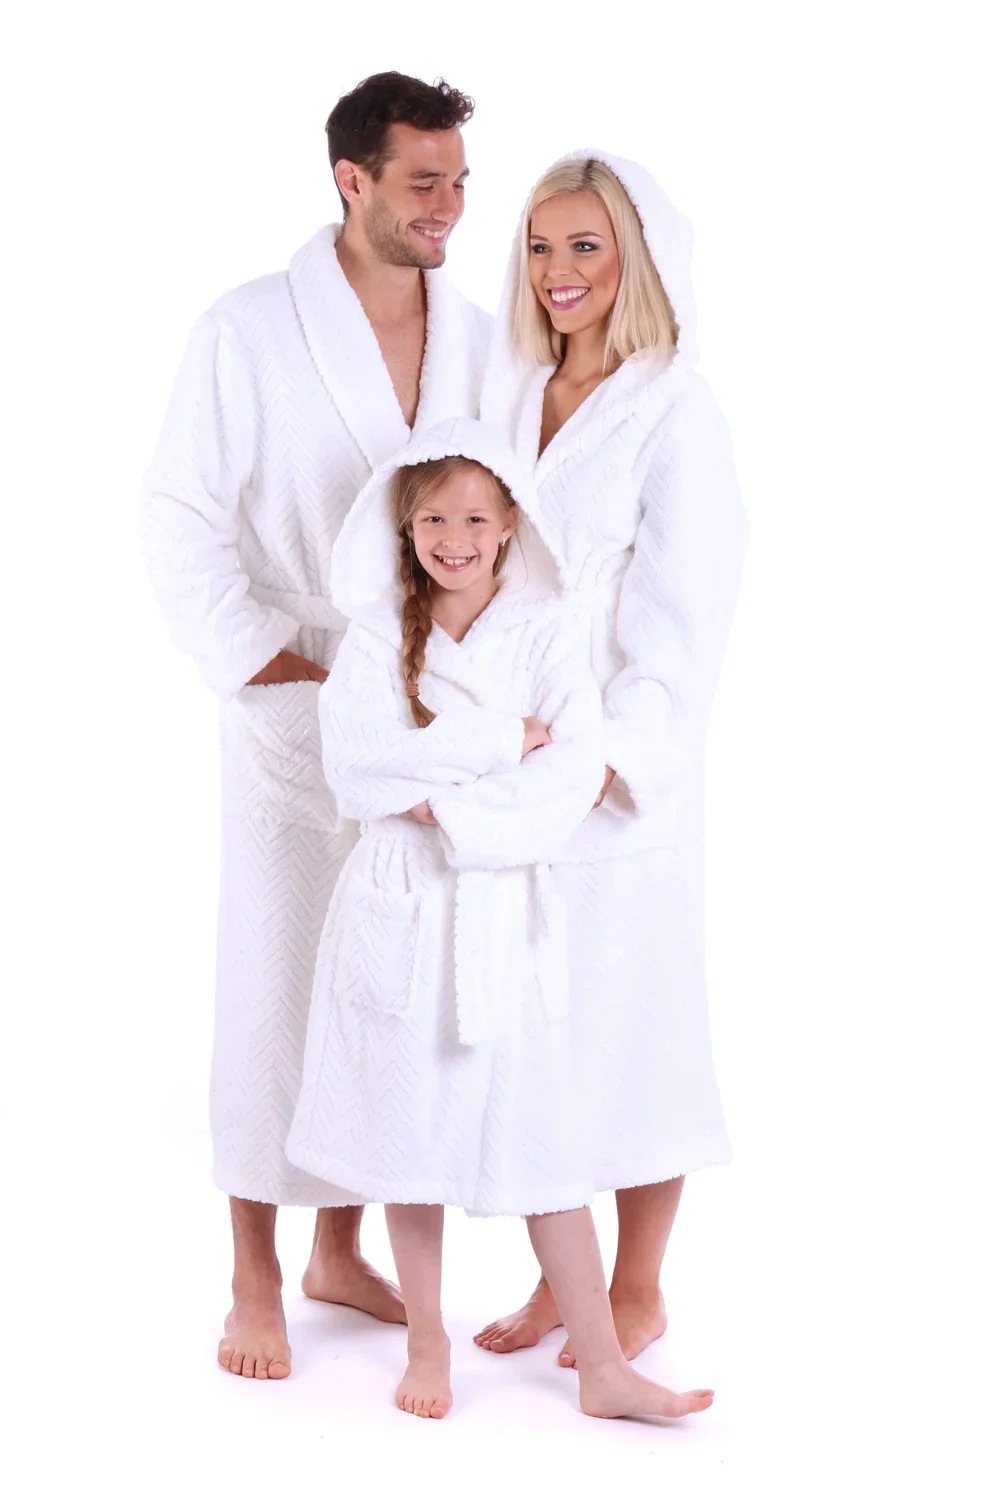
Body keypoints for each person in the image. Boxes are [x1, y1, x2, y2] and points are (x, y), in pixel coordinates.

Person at [140, 72, 491, 1380]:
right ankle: (253, 1272)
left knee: (386, 984)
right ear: (353, 180)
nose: (449, 206)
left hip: (426, 701)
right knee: (274, 979)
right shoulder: (246, 330)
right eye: (423, 182)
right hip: (298, 694)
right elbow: (179, 513)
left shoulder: (477, 338)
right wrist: (264, 660)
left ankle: (341, 1250)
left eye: (460, 181)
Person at [285, 416, 715, 1422]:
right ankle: (427, 1343)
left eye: (476, 519)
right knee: (406, 1137)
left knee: (542, 1138)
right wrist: (495, 741)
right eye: (434, 519)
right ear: (405, 525)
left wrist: (446, 805)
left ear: (512, 523)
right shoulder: (374, 636)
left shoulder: (549, 630)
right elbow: (356, 770)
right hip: (400, 908)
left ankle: (603, 1366)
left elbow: (569, 775)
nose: (455, 539)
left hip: (502, 914)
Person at [474, 150, 748, 1366]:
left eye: (585, 246)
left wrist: (611, 758)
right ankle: (564, 1279)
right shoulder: (513, 390)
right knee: (535, 1028)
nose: (558, 271)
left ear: (634, 258)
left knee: (633, 1019)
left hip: (615, 769)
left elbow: (687, 606)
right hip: (511, 749)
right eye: (540, 246)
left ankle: (637, 1288)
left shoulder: (673, 407)